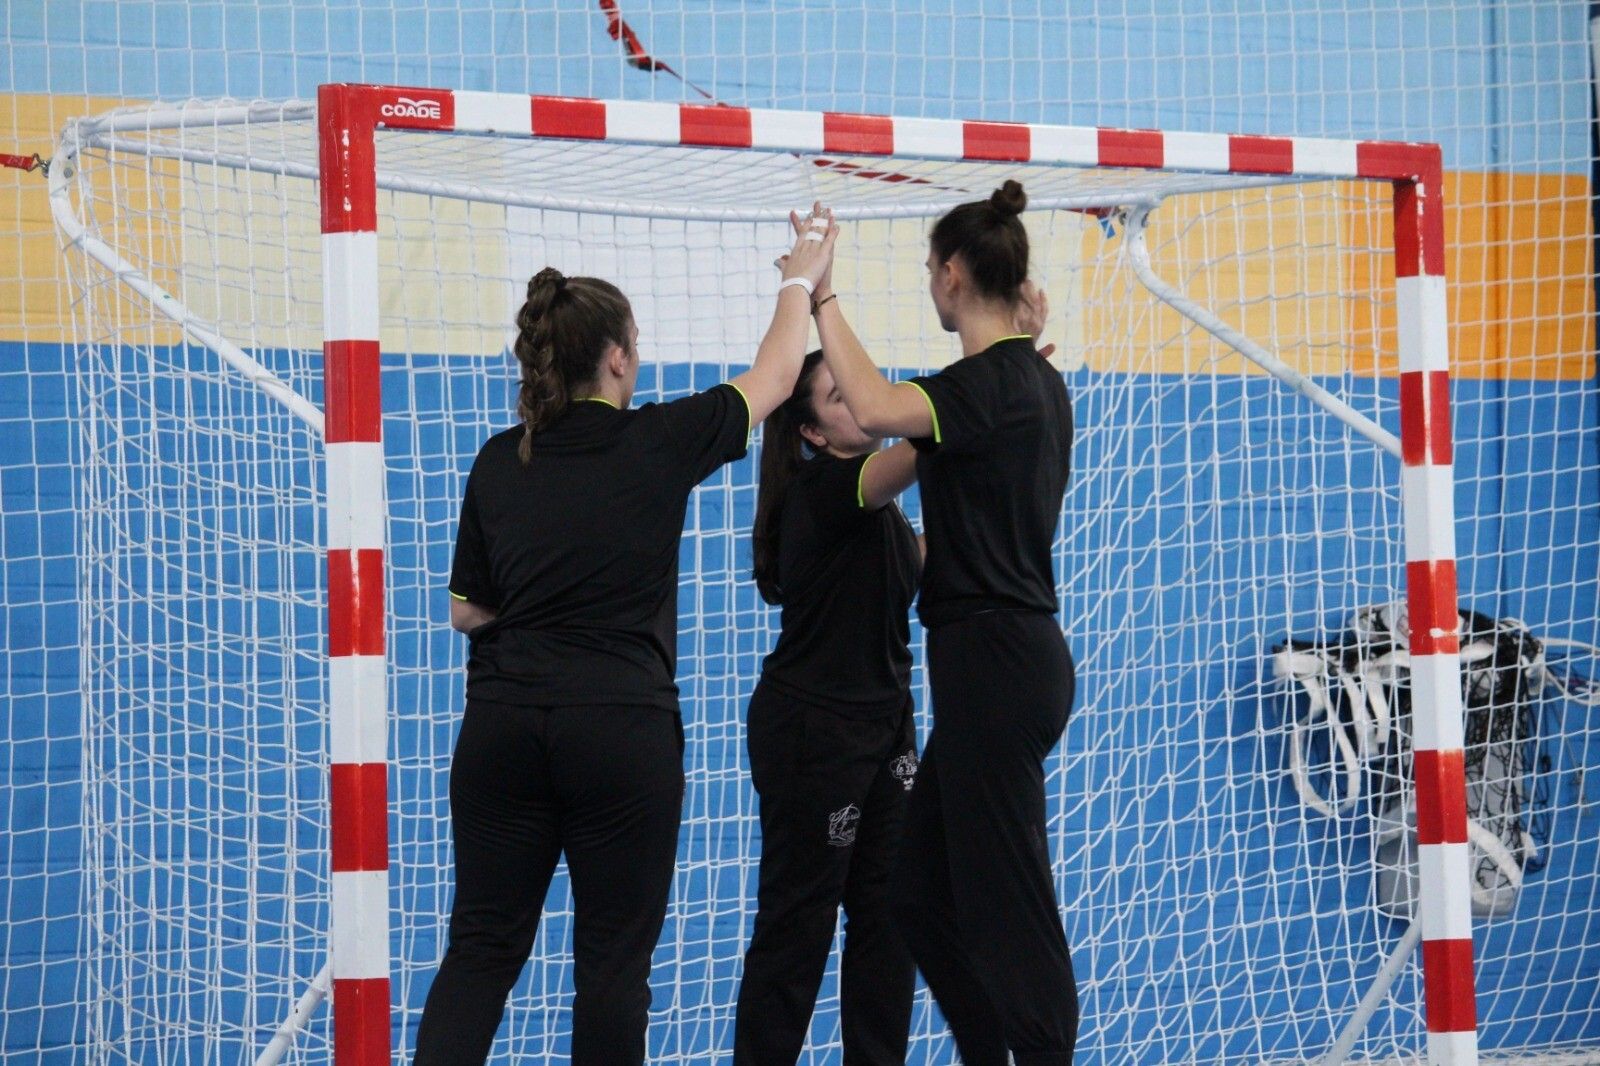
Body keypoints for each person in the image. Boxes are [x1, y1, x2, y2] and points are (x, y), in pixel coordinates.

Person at [412, 205, 839, 1066]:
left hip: (501, 731)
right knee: (613, 968)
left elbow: (466, 611)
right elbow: (777, 373)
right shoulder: (660, 440)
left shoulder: (498, 459)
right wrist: (804, 275)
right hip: (618, 733)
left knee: (481, 951)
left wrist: (542, 614)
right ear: (616, 358)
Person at [814, 180, 1078, 1066]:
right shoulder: (1032, 381)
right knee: (919, 895)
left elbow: (874, 406)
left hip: (997, 668)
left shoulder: (986, 384)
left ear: (954, 275)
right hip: (992, 667)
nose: (930, 285)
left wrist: (820, 292)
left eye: (930, 270)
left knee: (1013, 910)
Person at [733, 311, 922, 1063]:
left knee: (892, 917)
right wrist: (991, 392)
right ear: (812, 432)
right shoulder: (828, 492)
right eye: (840, 396)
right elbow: (924, 442)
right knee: (798, 927)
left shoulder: (883, 516)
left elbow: (926, 556)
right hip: (814, 734)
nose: (861, 398)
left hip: (886, 728)